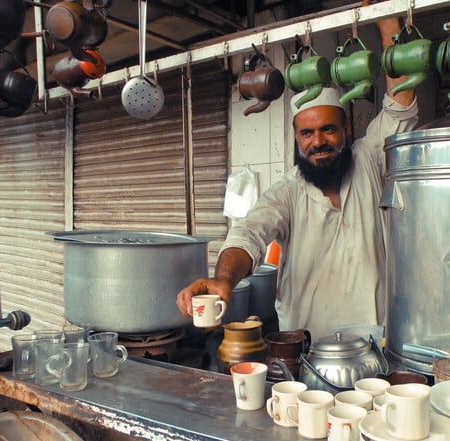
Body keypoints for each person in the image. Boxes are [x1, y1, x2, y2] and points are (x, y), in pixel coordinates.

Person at [177, 17, 419, 339]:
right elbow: (249, 233)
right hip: (305, 347)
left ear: (346, 130)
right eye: (307, 133)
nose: (317, 142)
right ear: (296, 138)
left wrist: (388, 24)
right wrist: (224, 280)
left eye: (328, 129)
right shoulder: (287, 192)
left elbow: (400, 105)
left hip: (375, 345)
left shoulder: (370, 160)